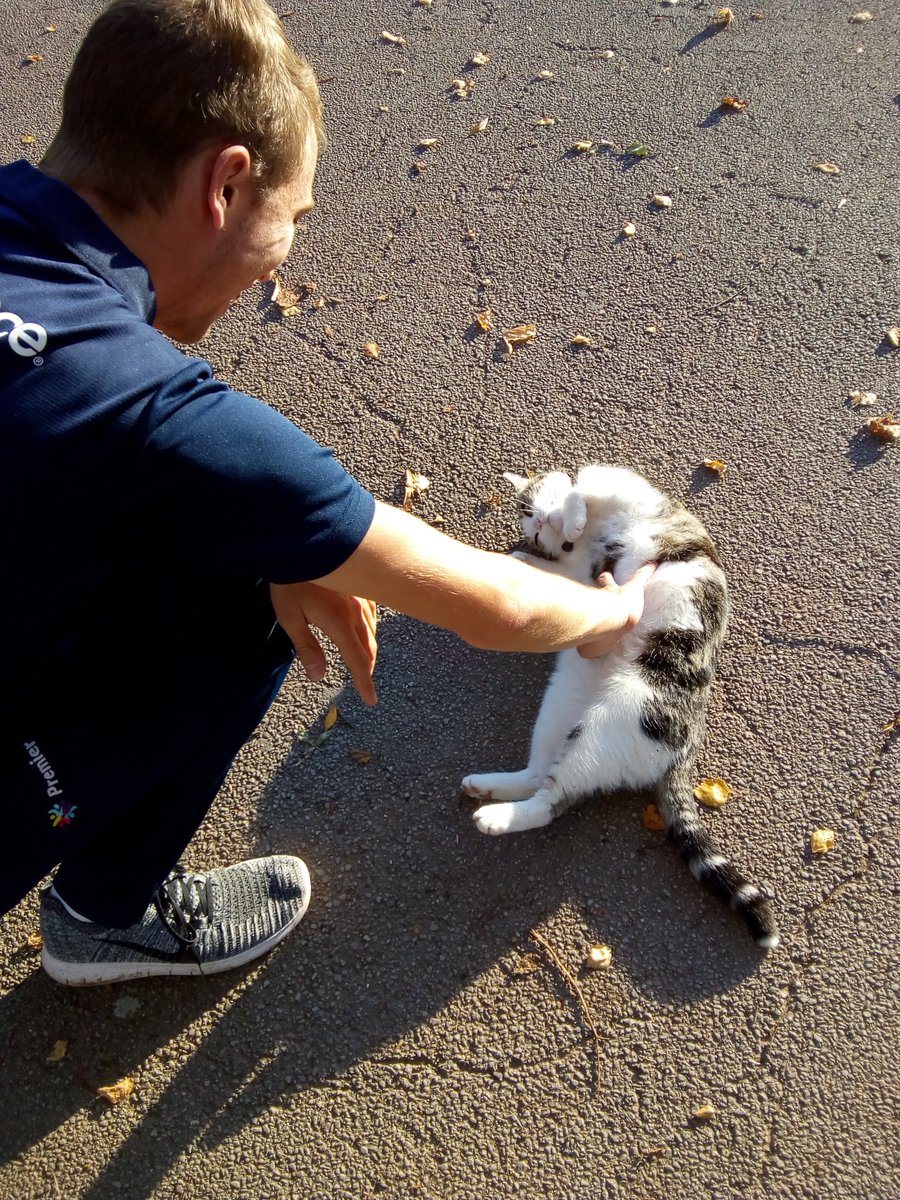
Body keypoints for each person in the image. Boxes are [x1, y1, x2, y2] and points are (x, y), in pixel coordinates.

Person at [0, 0, 653, 987]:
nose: (280, 263)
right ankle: (106, 912)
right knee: (261, 579)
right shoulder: (151, 415)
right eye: (291, 219)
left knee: (254, 554)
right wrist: (621, 609)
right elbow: (497, 604)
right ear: (226, 183)